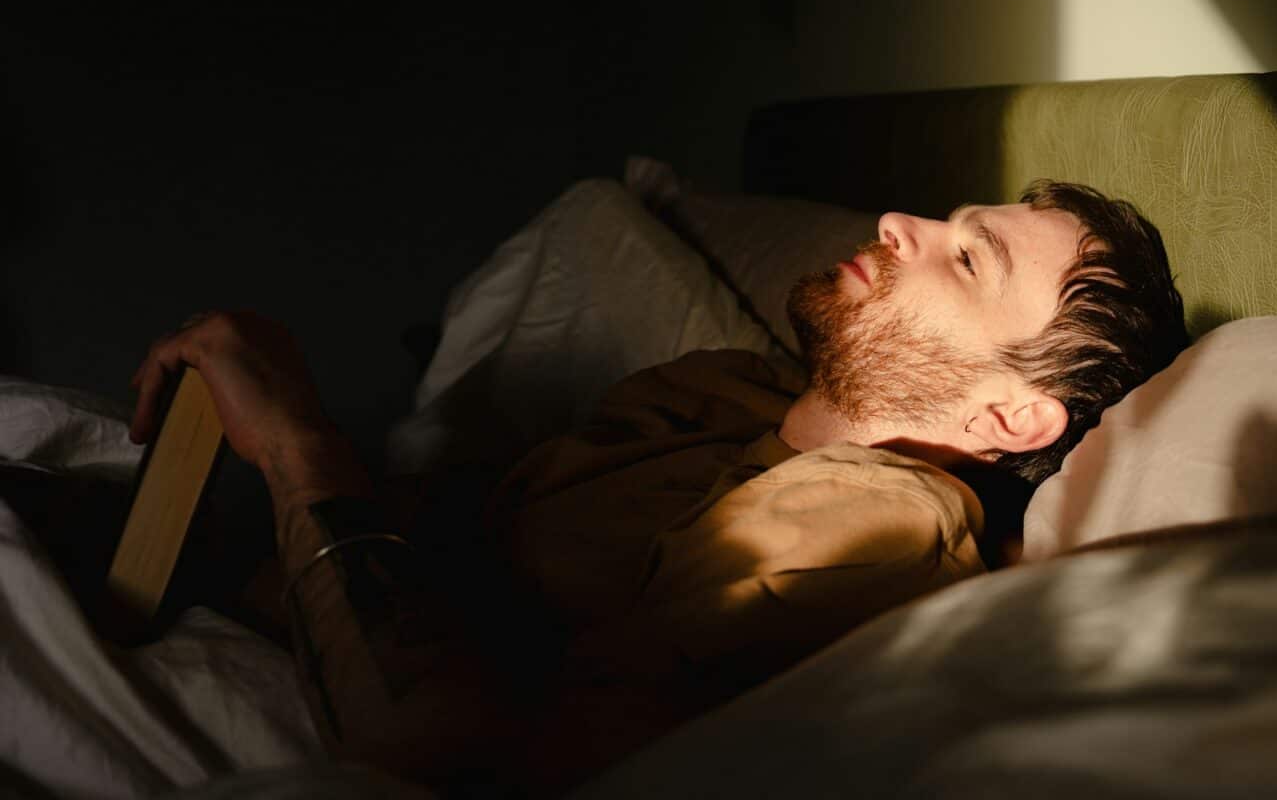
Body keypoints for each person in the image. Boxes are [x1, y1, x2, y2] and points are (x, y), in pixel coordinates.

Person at [126, 179, 1186, 795]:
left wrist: (300, 446)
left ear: (1005, 418)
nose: (902, 225)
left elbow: (459, 755)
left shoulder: (882, 521)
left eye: (967, 262)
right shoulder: (725, 389)